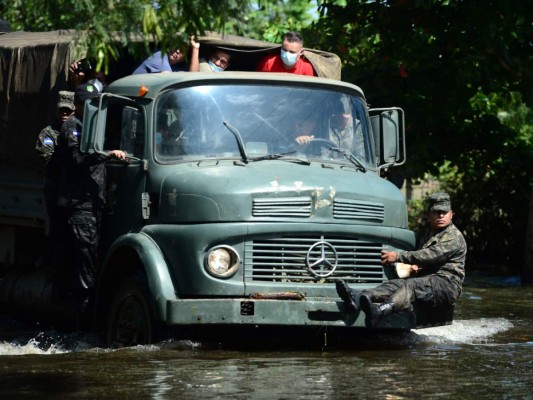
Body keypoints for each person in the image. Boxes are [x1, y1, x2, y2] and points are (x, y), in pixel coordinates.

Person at [336, 192, 467, 328]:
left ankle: (379, 311)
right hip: (428, 281)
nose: (441, 215)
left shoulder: (454, 237)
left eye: (444, 212)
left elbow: (429, 255)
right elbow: (428, 260)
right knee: (395, 285)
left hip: (447, 285)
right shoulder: (429, 234)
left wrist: (397, 257)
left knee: (411, 286)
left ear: (451, 214)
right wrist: (417, 268)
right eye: (436, 212)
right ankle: (359, 297)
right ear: (428, 214)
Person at [55, 82, 127, 318]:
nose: (94, 107)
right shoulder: (73, 127)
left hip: (93, 204)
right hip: (81, 206)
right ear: (78, 104)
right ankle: (82, 322)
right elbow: (79, 158)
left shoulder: (92, 126)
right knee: (85, 266)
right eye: (89, 103)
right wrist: (107, 155)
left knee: (93, 260)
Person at [35, 91, 75, 267]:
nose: (64, 115)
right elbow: (48, 159)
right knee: (57, 229)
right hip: (56, 190)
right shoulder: (48, 134)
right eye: (61, 111)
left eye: (68, 111)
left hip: (75, 192)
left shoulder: (80, 130)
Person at [132, 35, 199, 74]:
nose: (177, 51)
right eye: (176, 46)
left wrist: (195, 49)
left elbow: (194, 78)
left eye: (181, 51)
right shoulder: (159, 55)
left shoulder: (174, 67)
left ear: (183, 59)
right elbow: (170, 82)